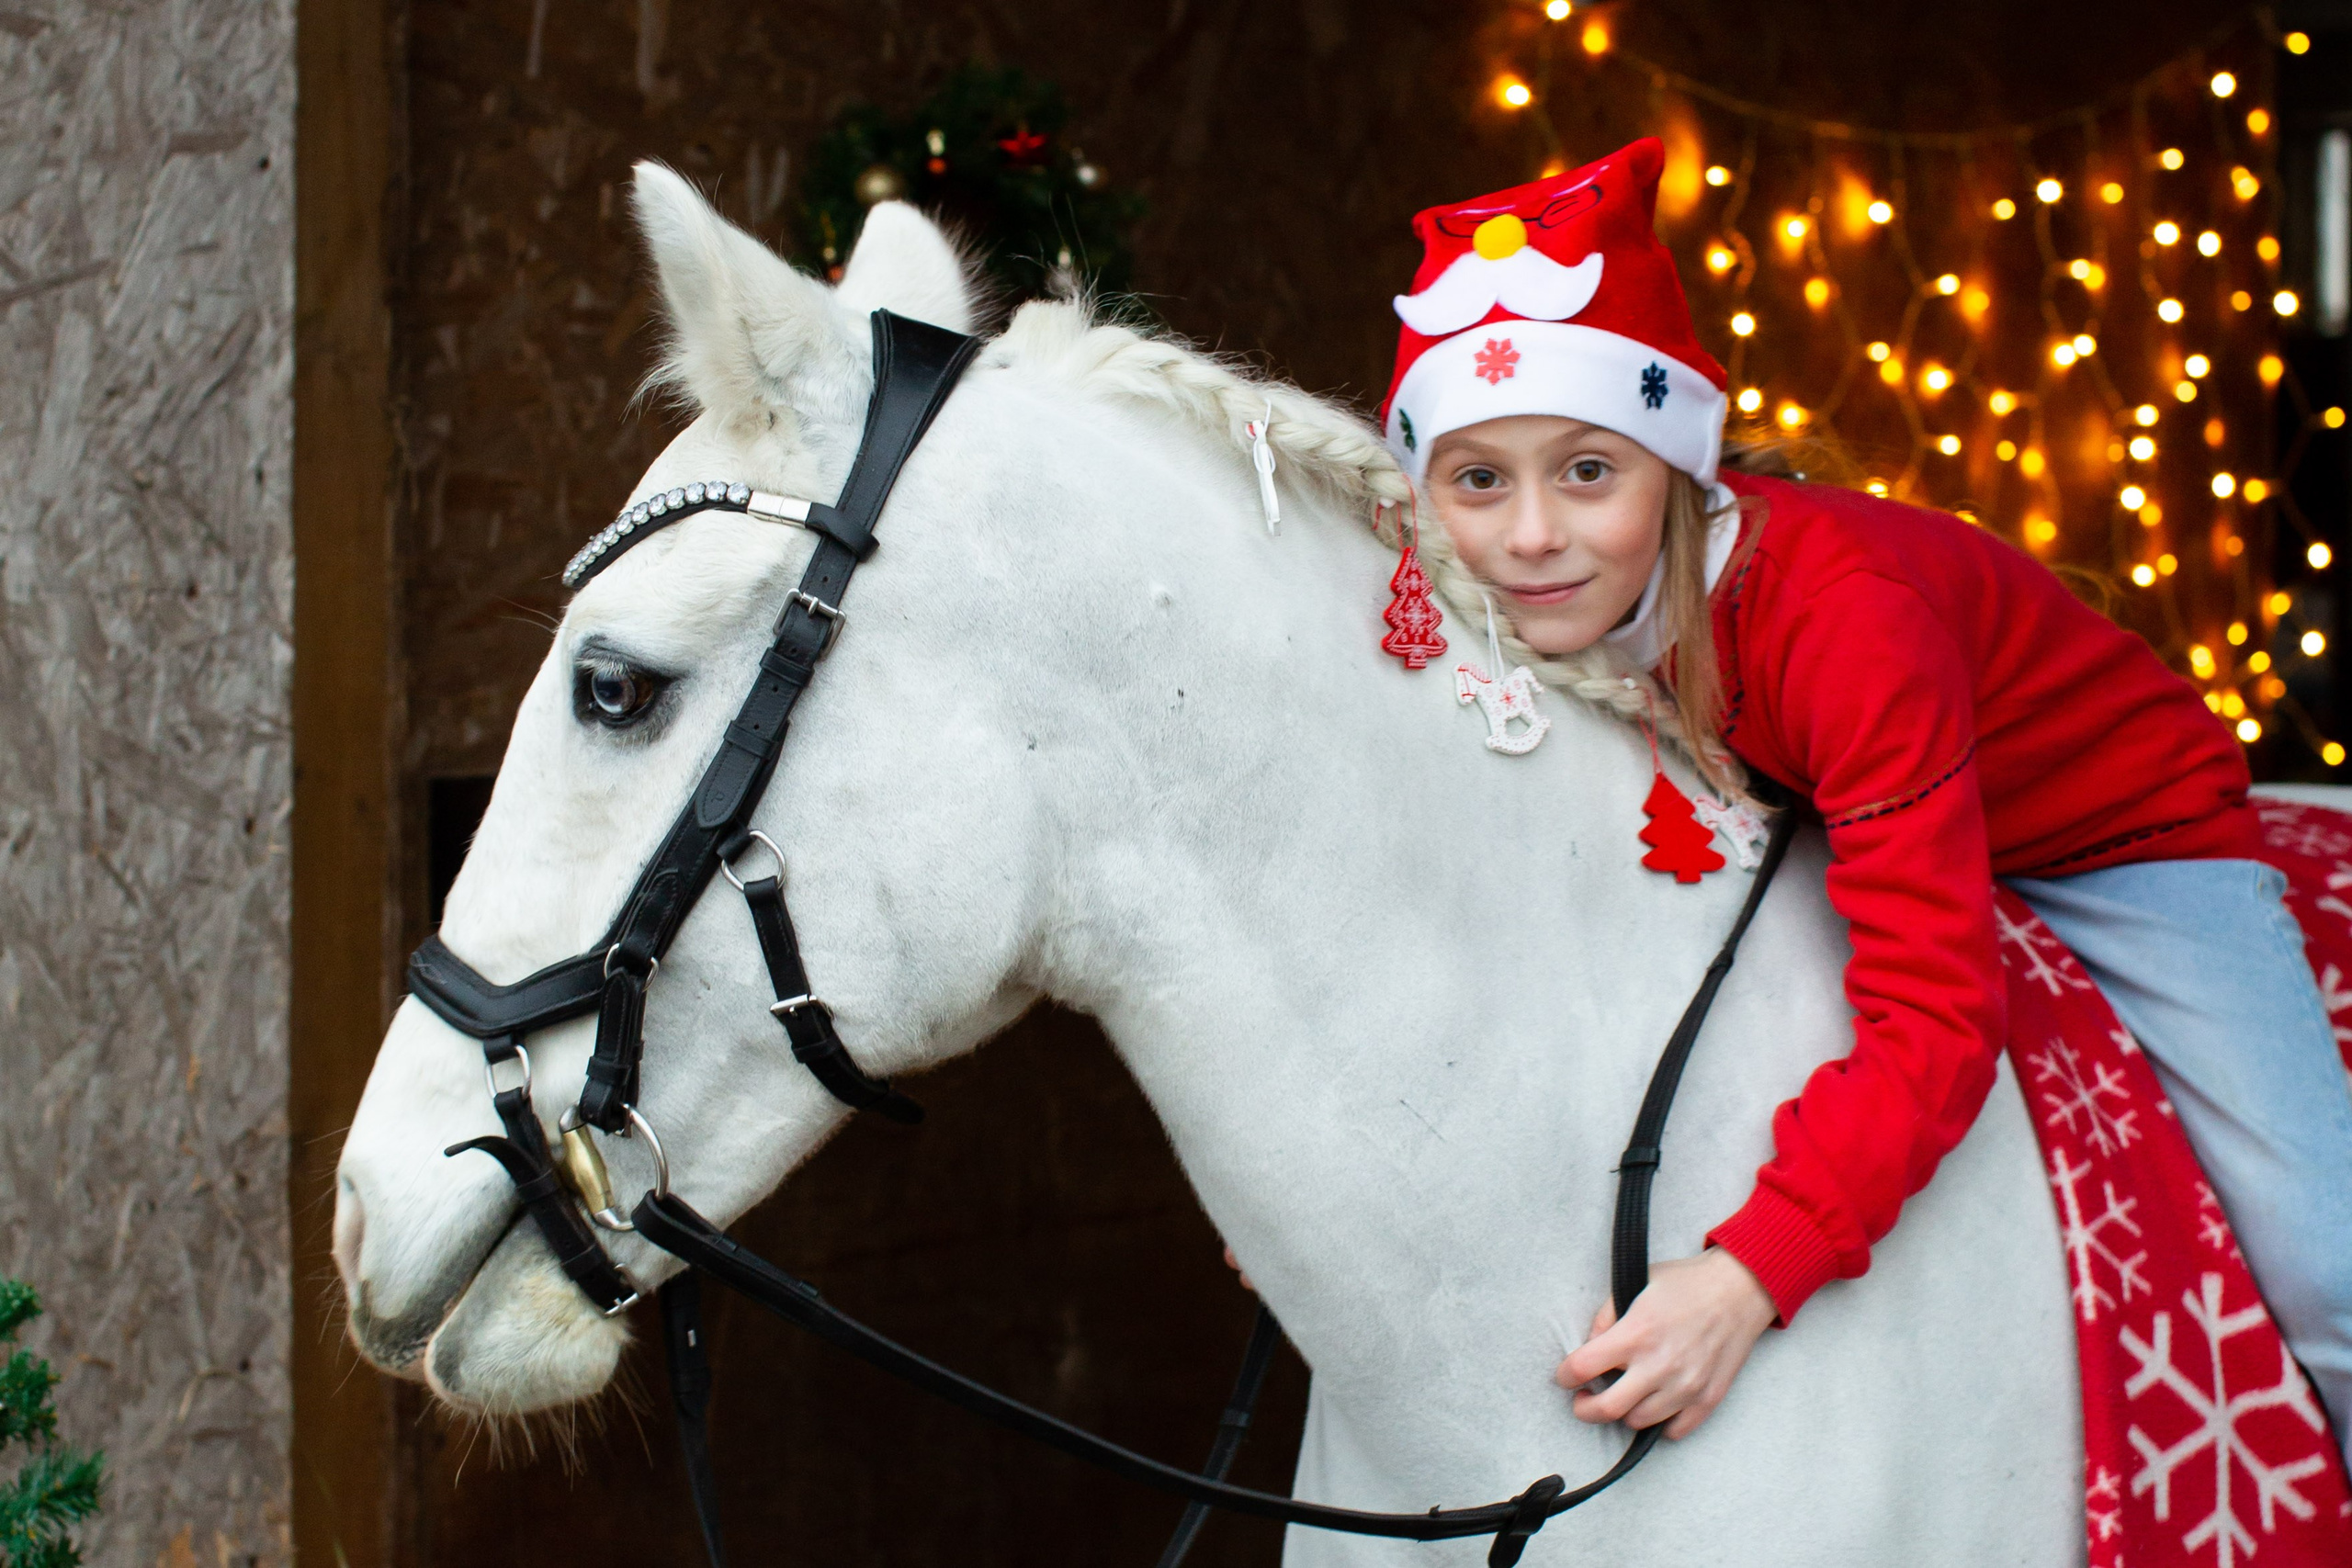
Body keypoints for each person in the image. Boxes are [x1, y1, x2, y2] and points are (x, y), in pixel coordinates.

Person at [1351, 136, 2352, 1459]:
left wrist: (1747, 1276)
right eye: (1480, 479)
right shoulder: (1471, 611)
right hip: (1837, 809)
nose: (1532, 535)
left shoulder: (1843, 622)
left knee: (2329, 1257)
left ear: (1674, 469)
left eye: (1589, 469)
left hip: (2117, 834)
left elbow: (1938, 1013)